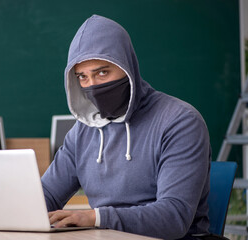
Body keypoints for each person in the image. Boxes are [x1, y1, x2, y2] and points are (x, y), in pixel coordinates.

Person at [41, 15, 211, 240]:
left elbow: (174, 217)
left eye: (103, 73)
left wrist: (96, 218)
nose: (93, 86)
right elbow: (45, 195)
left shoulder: (180, 121)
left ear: (127, 66)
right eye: (82, 77)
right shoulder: (82, 132)